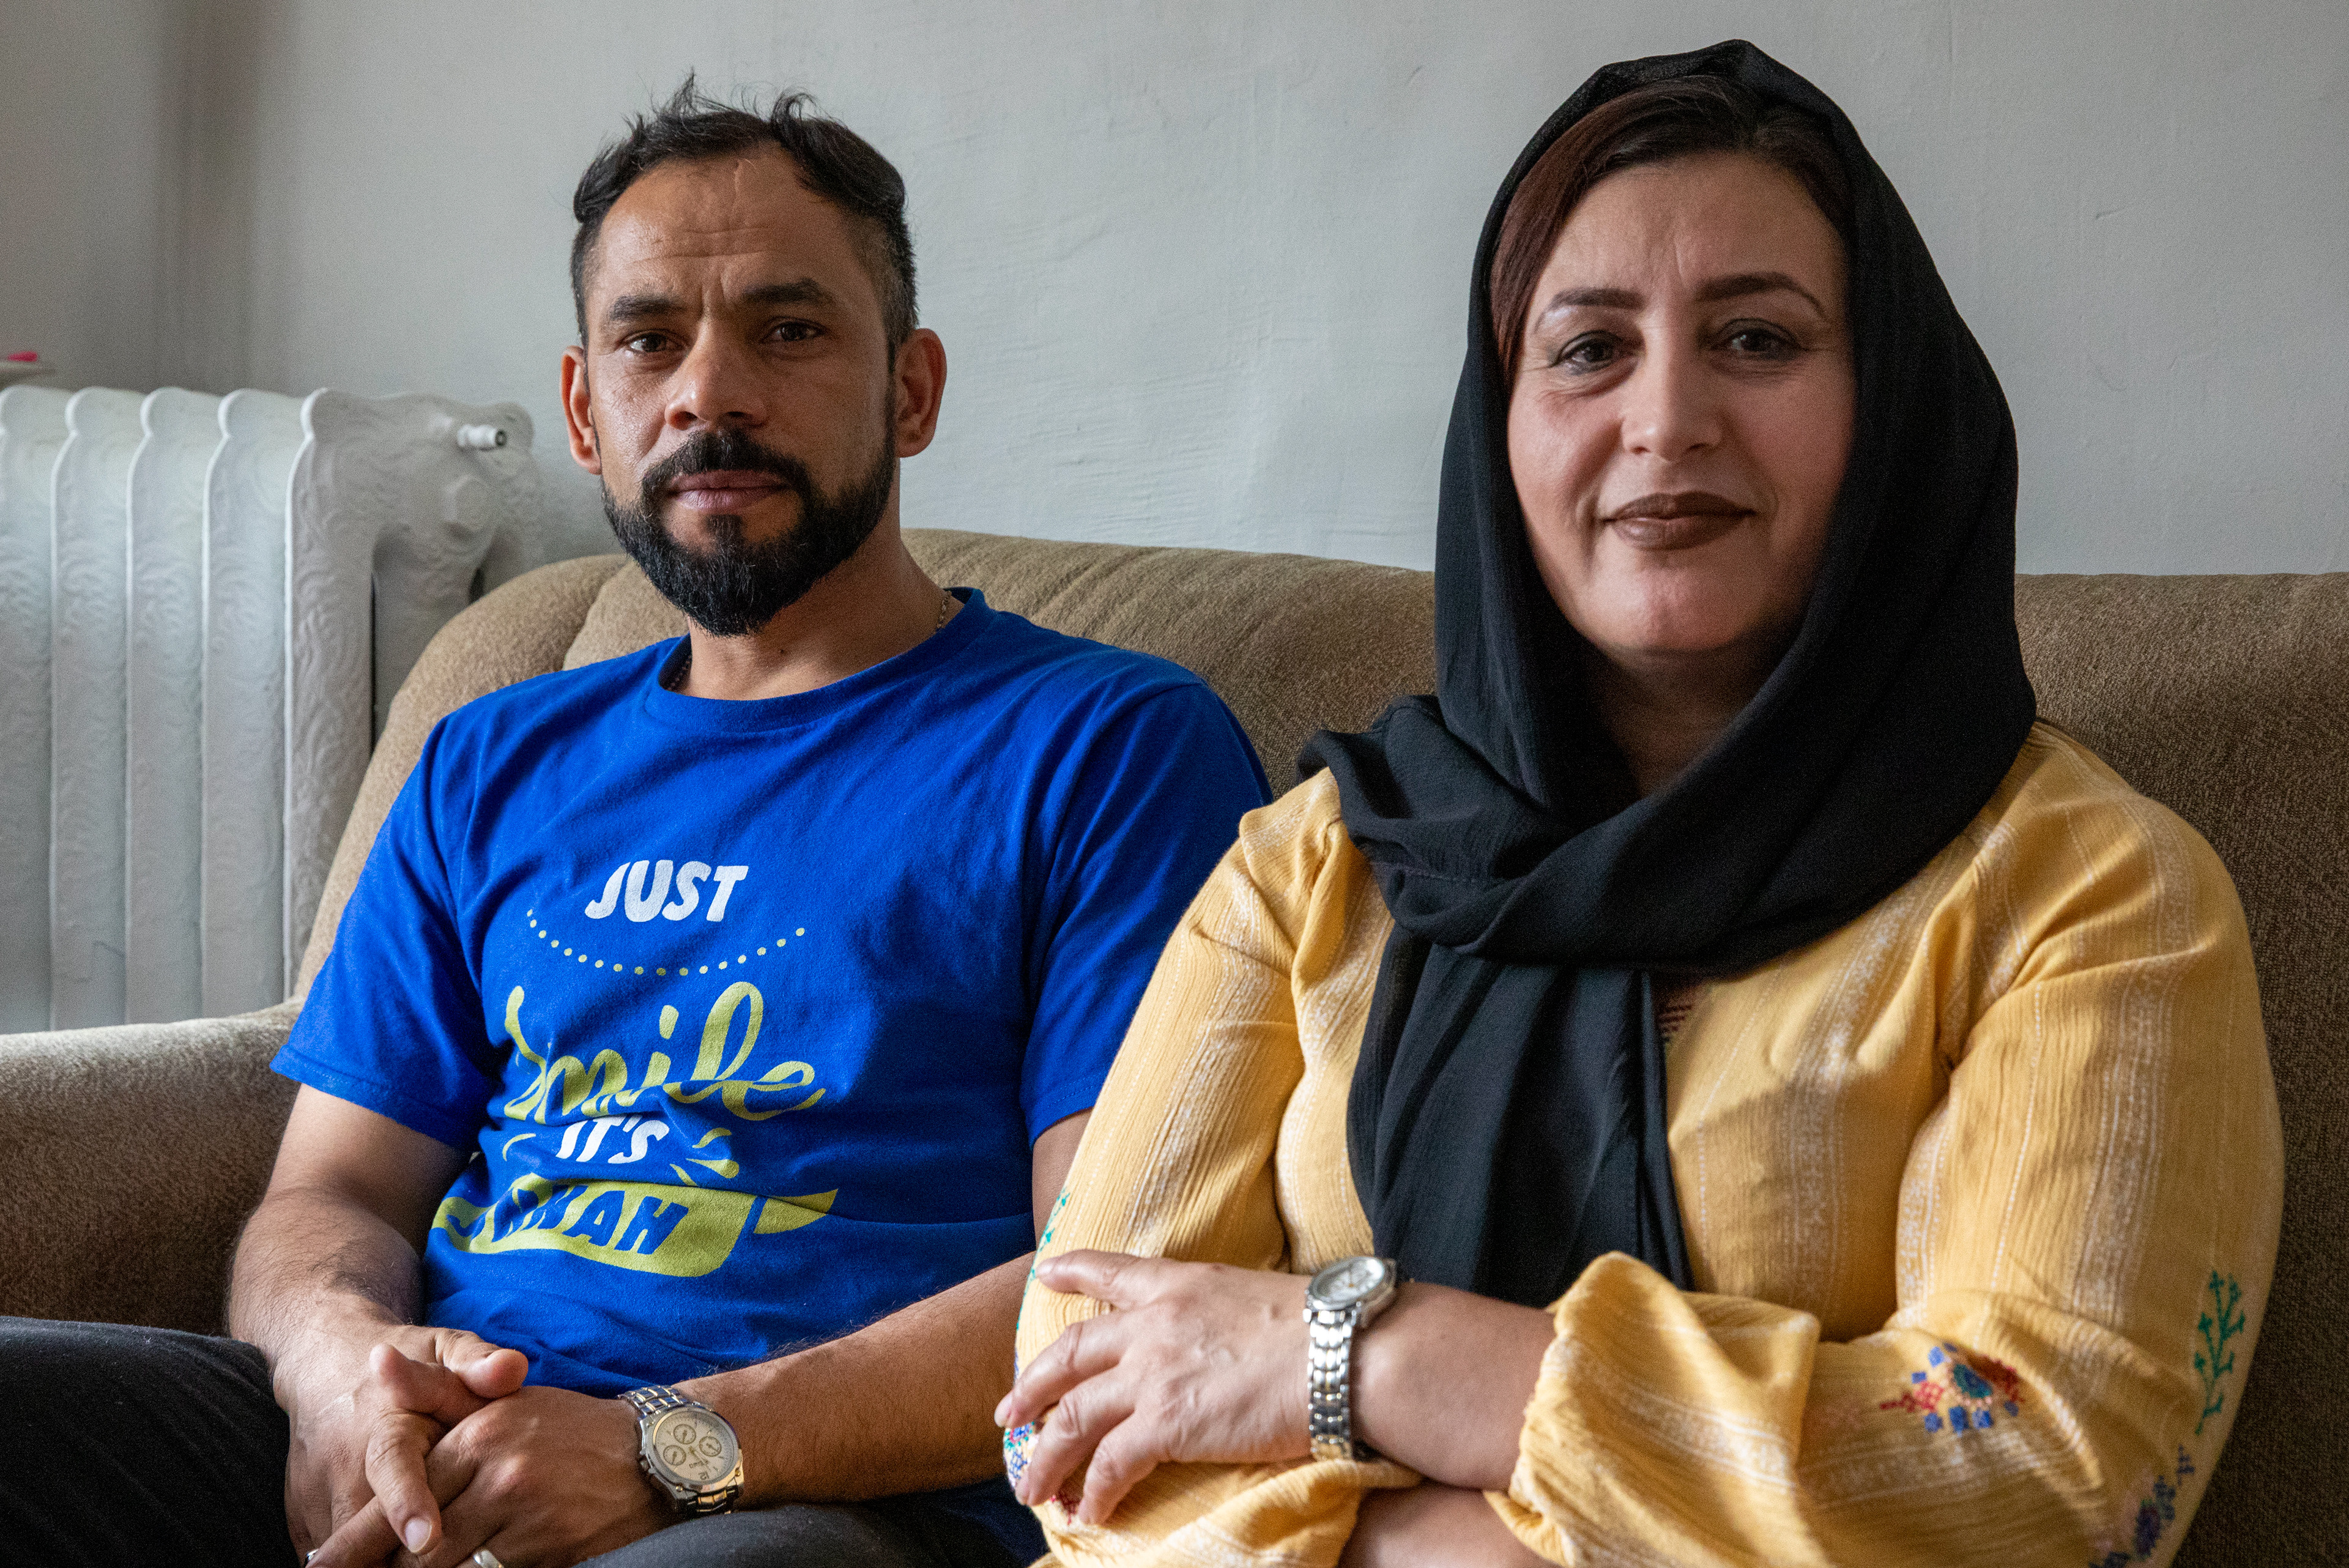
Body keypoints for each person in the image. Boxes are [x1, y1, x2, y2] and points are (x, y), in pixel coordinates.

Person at [997, 41, 2282, 1568]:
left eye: (1757, 338)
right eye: (1590, 348)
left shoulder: (2091, 893)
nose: (1668, 419)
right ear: (1501, 426)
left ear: (1887, 402)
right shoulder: (1316, 871)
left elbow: (2050, 1476)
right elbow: (1067, 1406)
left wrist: (1362, 1356)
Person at [0, 83, 1269, 1568]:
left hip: (826, 1500)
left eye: (788, 330)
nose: (709, 393)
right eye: (650, 339)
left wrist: (670, 1447)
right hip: (447, 1447)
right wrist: (337, 1363)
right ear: (585, 407)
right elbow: (330, 1193)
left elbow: (1116, 1294)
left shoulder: (1107, 746)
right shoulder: (493, 756)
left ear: (911, 390)